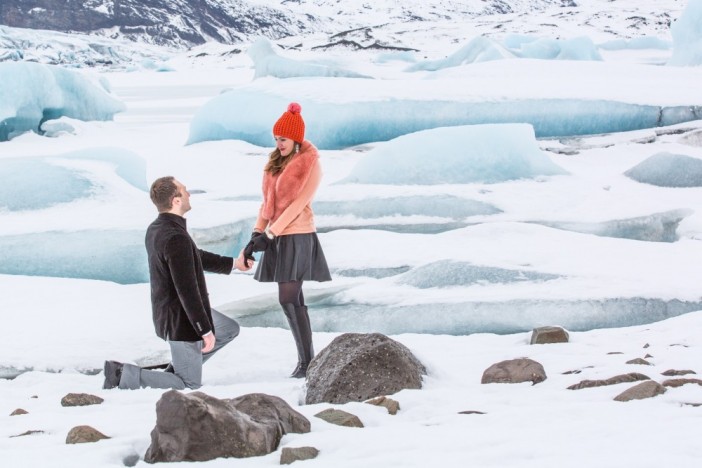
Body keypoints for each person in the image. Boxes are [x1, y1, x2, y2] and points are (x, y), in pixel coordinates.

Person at [103, 176, 251, 390]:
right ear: (176, 200)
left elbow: (194, 256)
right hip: (181, 320)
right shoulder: (175, 237)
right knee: (188, 383)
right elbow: (187, 291)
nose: (189, 193)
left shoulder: (158, 228)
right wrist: (204, 329)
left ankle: (177, 368)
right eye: (184, 190)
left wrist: (234, 264)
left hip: (171, 312)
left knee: (228, 328)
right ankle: (122, 374)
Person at [242, 102, 331, 378]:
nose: (278, 144)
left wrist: (270, 234)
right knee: (293, 298)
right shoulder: (274, 163)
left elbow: (298, 204)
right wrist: (256, 234)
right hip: (277, 236)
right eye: (276, 139)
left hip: (298, 235)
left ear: (295, 138)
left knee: (288, 297)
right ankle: (307, 360)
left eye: (283, 139)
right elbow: (266, 203)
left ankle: (306, 362)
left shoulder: (311, 164)